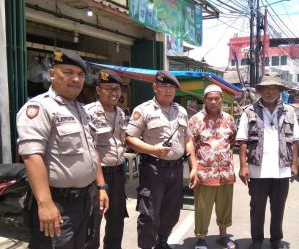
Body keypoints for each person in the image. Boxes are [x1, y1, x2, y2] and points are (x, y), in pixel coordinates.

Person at [17, 49, 109, 248]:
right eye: (68, 72)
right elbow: (32, 156)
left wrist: (100, 187)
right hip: (58, 203)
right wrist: (45, 203)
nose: (75, 79)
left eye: (80, 75)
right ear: (52, 74)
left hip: (86, 199)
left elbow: (92, 152)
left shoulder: (82, 110)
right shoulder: (40, 108)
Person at [125, 70, 198, 249]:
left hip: (176, 169)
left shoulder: (180, 111)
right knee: (149, 213)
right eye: (164, 86)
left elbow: (187, 139)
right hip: (153, 169)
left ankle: (162, 242)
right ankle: (147, 246)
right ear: (155, 87)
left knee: (171, 212)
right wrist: (154, 150)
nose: (168, 90)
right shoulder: (143, 110)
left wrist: (193, 166)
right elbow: (129, 138)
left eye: (172, 87)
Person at [236, 71, 299, 249]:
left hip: (282, 169)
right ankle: (256, 240)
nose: (270, 92)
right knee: (257, 208)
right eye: (266, 88)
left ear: (279, 90)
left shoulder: (289, 111)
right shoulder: (249, 111)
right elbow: (242, 140)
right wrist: (243, 166)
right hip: (257, 169)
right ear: (260, 90)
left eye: (274, 88)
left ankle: (276, 239)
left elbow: (295, 140)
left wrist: (294, 164)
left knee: (278, 207)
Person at [188, 85, 237, 249]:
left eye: (217, 98)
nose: (214, 102)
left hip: (225, 173)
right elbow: (191, 146)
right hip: (204, 173)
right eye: (210, 98)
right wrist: (194, 168)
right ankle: (201, 238)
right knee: (203, 207)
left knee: (225, 206)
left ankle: (223, 236)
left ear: (222, 99)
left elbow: (231, 141)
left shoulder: (229, 119)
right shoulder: (195, 120)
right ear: (204, 100)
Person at [84, 69, 128, 249]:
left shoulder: (121, 113)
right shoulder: (88, 112)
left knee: (117, 217)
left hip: (118, 172)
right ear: (98, 90)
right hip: (97, 175)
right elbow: (89, 148)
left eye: (117, 89)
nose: (114, 93)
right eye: (108, 89)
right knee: (94, 218)